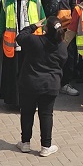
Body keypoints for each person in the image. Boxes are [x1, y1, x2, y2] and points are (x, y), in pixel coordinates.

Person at [15, 16, 68, 156]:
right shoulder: (62, 46)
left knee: (27, 112)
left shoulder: (34, 41)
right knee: (46, 114)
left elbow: (20, 37)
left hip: (29, 83)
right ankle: (46, 146)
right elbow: (63, 62)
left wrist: (33, 26)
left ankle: (25, 143)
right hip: (50, 85)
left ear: (45, 29)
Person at [0, 0, 45, 108]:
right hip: (13, 44)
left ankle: (31, 101)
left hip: (31, 44)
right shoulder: (7, 1)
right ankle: (14, 102)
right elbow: (1, 23)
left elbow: (43, 19)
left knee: (31, 74)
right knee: (14, 73)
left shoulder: (35, 0)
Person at [37, 0, 79, 96]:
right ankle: (50, 83)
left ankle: (65, 83)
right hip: (50, 27)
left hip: (67, 27)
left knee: (68, 55)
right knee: (50, 56)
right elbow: (40, 6)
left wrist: (74, 24)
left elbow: (73, 3)